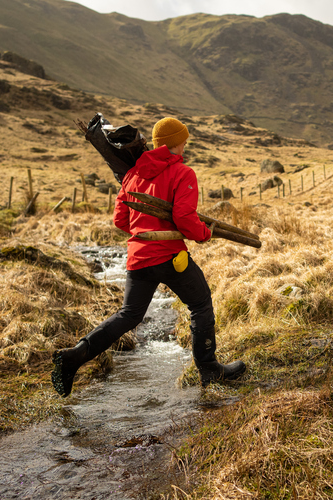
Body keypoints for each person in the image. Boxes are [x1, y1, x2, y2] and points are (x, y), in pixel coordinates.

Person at [52, 117, 246, 397]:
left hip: (138, 257)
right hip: (169, 257)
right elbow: (184, 218)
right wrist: (203, 233)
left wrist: (146, 227)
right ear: (178, 142)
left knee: (129, 315)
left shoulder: (132, 174)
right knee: (201, 303)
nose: (186, 144)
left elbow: (121, 220)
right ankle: (209, 369)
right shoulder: (183, 173)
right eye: (185, 140)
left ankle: (74, 356)